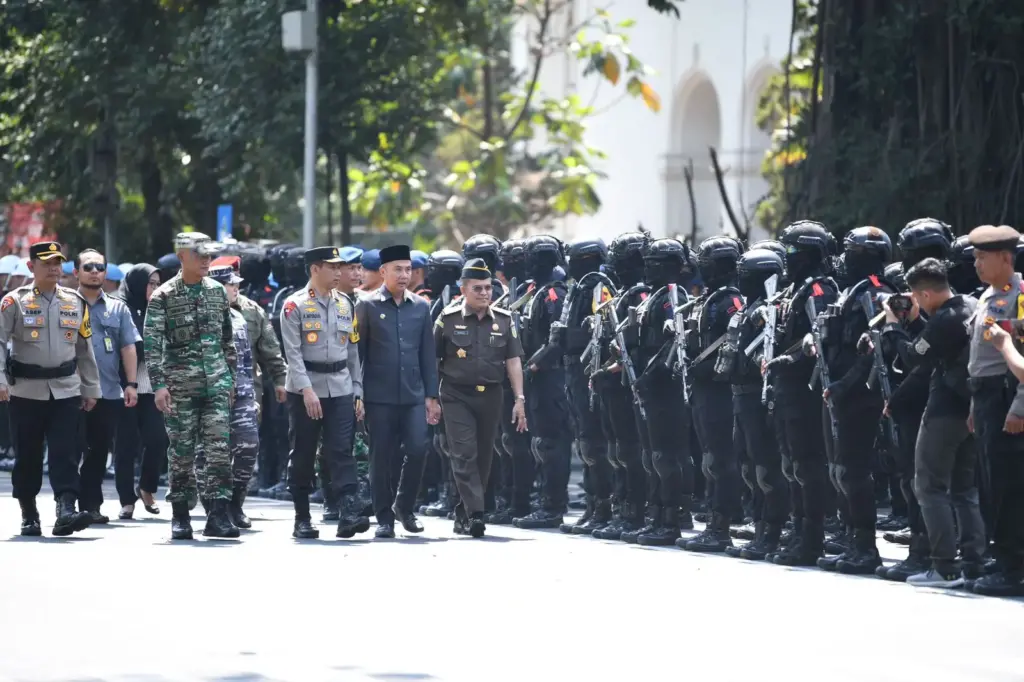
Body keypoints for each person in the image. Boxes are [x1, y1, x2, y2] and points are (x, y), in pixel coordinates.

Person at [880, 257, 985, 588]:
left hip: (944, 412)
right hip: (971, 408)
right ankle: (973, 564)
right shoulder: (971, 304)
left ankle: (944, 567)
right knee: (964, 490)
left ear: (923, 294)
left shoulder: (945, 320)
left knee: (928, 486)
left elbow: (913, 356)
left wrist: (894, 326)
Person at [0, 240, 102, 536]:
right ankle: (29, 512)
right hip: (26, 391)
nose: (54, 269)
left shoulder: (75, 301)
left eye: (58, 263)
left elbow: (85, 348)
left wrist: (91, 387)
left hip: (66, 389)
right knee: (28, 455)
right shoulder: (13, 302)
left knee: (66, 451)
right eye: (47, 264)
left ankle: (66, 509)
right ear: (31, 267)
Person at [144, 231, 238, 540]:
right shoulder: (164, 296)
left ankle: (219, 515)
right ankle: (181, 515)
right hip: (180, 388)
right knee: (181, 452)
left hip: (216, 385)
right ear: (182, 256)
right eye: (200, 254)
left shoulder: (217, 292)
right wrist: (159, 386)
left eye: (209, 254)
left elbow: (227, 340)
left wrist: (231, 380)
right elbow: (153, 345)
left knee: (219, 452)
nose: (206, 260)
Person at [434, 258, 527, 537]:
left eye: (488, 288)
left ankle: (464, 510)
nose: (485, 293)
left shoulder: (504, 319)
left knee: (485, 456)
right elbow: (432, 358)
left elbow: (513, 360)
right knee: (464, 453)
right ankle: (476, 512)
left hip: (491, 396)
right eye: (478, 289)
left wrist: (520, 399)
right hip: (455, 394)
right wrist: (430, 397)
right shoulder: (447, 319)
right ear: (463, 290)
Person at [280, 246, 367, 539]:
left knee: (341, 449)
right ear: (315, 269)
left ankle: (349, 512)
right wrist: (306, 391)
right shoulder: (294, 305)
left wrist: (357, 389)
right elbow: (292, 354)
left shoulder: (345, 304)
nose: (339, 273)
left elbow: (353, 349)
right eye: (333, 267)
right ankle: (302, 517)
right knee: (303, 452)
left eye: (340, 267)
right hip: (306, 388)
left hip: (341, 386)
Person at [355, 244, 439, 539]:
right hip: (378, 396)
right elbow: (358, 353)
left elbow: (427, 354)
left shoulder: (421, 307)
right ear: (383, 272)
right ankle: (384, 517)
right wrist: (358, 395)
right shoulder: (367, 305)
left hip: (414, 394)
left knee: (419, 448)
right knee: (381, 457)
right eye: (397, 270)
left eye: (407, 269)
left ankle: (404, 505)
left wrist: (432, 396)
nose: (404, 275)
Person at [965, 224, 1024, 596]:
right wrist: (974, 406)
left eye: (983, 257)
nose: (976, 264)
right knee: (990, 483)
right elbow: (979, 361)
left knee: (1007, 488)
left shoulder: (1019, 297)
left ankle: (1010, 565)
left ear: (1005, 257)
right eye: (975, 257)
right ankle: (1000, 556)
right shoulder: (988, 296)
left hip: (1007, 399)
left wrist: (1019, 409)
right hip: (986, 399)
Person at [74, 248, 140, 525]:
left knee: (98, 451)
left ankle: (90, 505)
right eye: (88, 267)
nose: (94, 272)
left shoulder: (118, 307)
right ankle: (65, 504)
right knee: (68, 449)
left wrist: (132, 383)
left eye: (99, 267)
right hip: (69, 391)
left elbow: (128, 347)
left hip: (108, 391)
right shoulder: (66, 304)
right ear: (76, 272)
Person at [112, 264, 166, 520]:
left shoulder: (161, 308)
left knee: (157, 439)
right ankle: (126, 499)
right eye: (150, 283)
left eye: (157, 284)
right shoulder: (121, 308)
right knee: (125, 445)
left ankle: (146, 487)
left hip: (153, 387)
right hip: (125, 386)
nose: (155, 289)